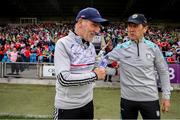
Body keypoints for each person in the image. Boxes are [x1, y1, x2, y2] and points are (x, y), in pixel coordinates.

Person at [105, 14, 171, 119]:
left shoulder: (153, 48)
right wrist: (114, 72)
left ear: (145, 28)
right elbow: (102, 62)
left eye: (135, 26)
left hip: (150, 99)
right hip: (127, 99)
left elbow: (163, 72)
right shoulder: (121, 48)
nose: (131, 29)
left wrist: (166, 97)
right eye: (129, 26)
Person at [53, 7, 109, 119]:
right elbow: (64, 79)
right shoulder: (63, 43)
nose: (98, 30)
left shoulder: (91, 46)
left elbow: (95, 66)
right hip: (67, 107)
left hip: (88, 103)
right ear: (80, 23)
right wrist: (95, 75)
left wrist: (108, 59)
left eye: (99, 26)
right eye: (94, 25)